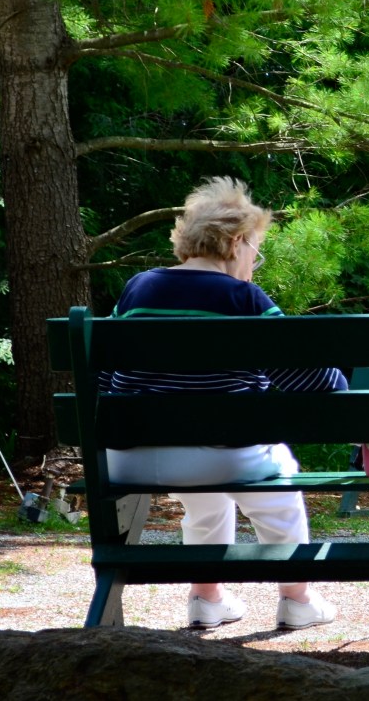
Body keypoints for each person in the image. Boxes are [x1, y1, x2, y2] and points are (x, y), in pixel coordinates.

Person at [100, 176, 347, 631]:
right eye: (257, 249)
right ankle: (297, 599)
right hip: (224, 455)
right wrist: (336, 373)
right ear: (236, 243)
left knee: (205, 500)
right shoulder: (243, 298)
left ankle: (206, 598)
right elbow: (309, 381)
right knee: (280, 493)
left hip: (129, 460)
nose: (256, 261)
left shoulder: (137, 288)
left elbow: (103, 375)